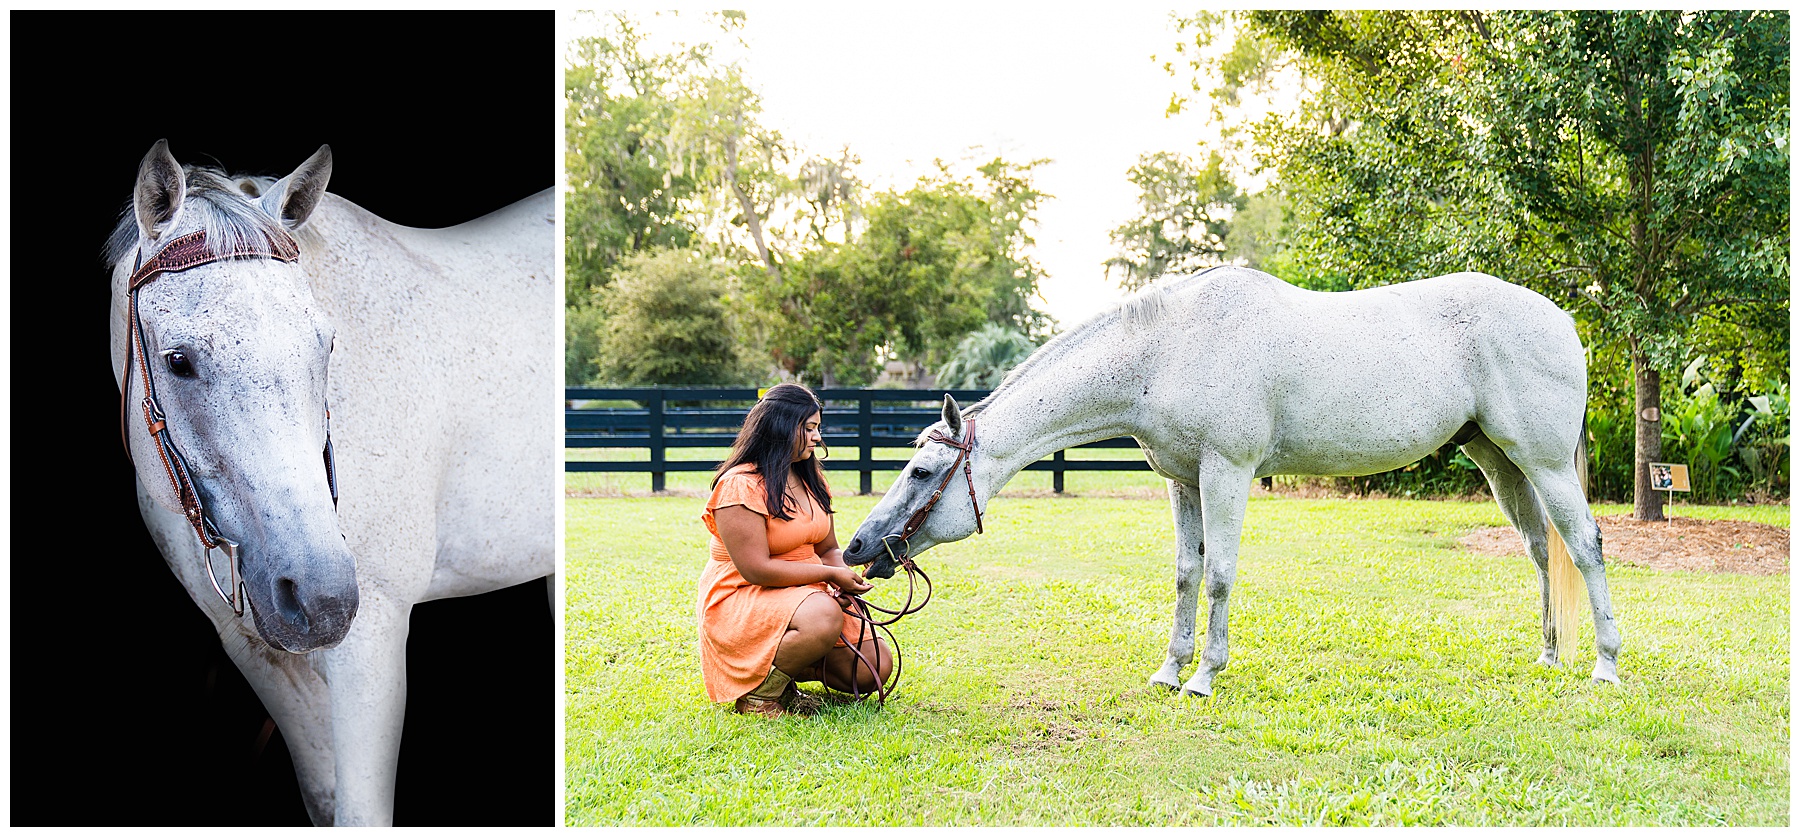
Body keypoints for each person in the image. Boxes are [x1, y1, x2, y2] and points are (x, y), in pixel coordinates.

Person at [697, 383, 894, 717]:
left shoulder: (811, 479)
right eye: (809, 428)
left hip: (807, 593)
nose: (817, 437)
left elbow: (828, 547)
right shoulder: (739, 485)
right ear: (781, 427)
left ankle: (786, 669)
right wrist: (828, 576)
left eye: (818, 428)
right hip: (744, 594)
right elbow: (756, 569)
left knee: (873, 667)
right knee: (823, 615)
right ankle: (759, 697)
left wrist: (841, 577)